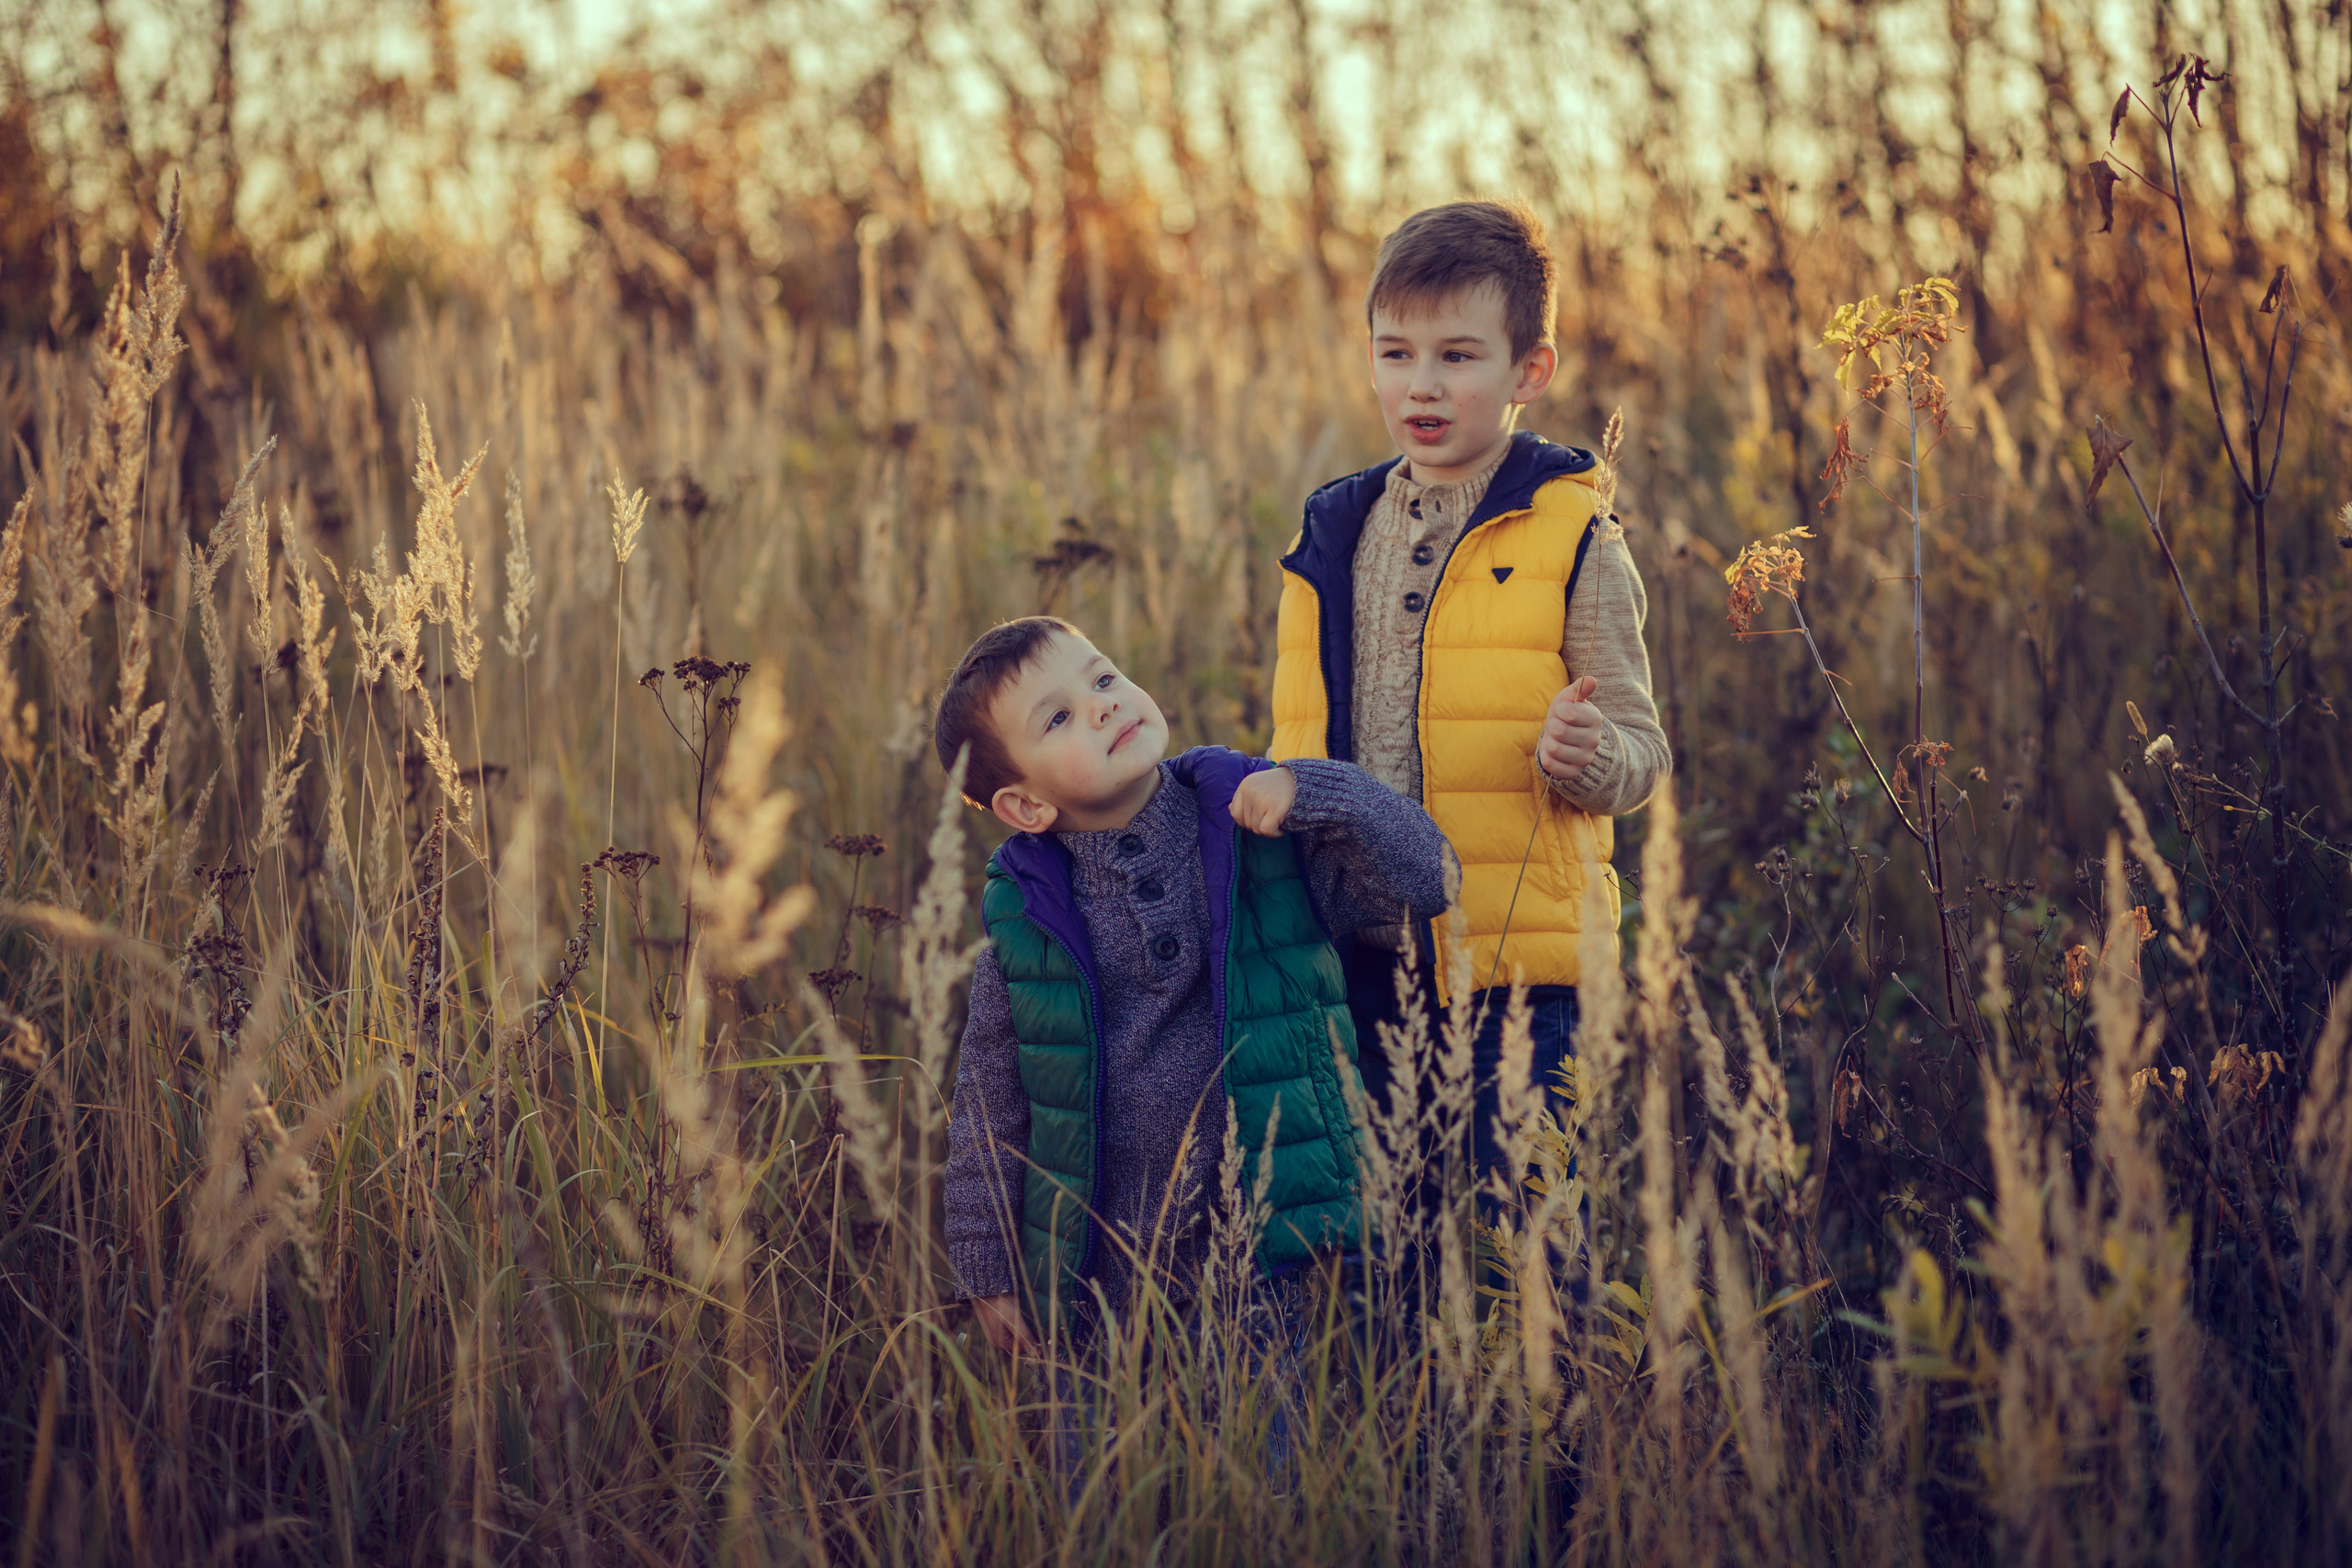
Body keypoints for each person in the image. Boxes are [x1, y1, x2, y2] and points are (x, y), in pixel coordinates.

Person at [934, 615, 1453, 1472]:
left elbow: (1427, 880)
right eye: (1058, 717)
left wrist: (1317, 790)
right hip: (1094, 1265)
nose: (1102, 706)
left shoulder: (1253, 830)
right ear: (1026, 806)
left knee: (1263, 1472)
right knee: (1100, 1485)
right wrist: (989, 1269)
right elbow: (988, 1105)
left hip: (1254, 1248)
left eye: (1104, 679)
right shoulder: (1029, 925)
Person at [1268, 198, 1671, 1251]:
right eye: (1395, 353)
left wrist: (1592, 756)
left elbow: (1641, 748)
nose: (1423, 385)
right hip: (1361, 959)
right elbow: (1297, 740)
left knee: (1523, 1248)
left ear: (1529, 370)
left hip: (1517, 968)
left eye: (1457, 356)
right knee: (1385, 1254)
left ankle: (1544, 1367)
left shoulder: (1573, 532)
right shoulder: (1333, 532)